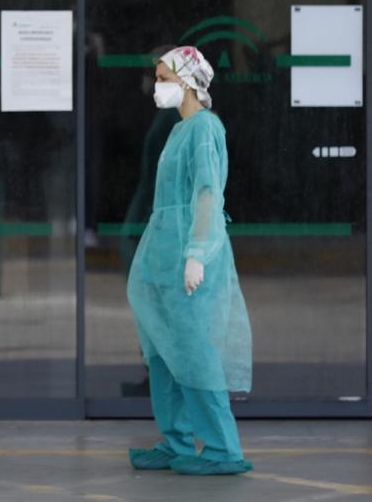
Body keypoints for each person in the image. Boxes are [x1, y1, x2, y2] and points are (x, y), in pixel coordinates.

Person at [126, 46, 254, 476]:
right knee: (163, 353)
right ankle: (176, 440)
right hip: (163, 257)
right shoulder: (178, 130)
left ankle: (222, 449)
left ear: (186, 81)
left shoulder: (204, 128)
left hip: (188, 257)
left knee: (193, 352)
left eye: (163, 77)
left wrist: (196, 254)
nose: (156, 85)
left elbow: (206, 194)